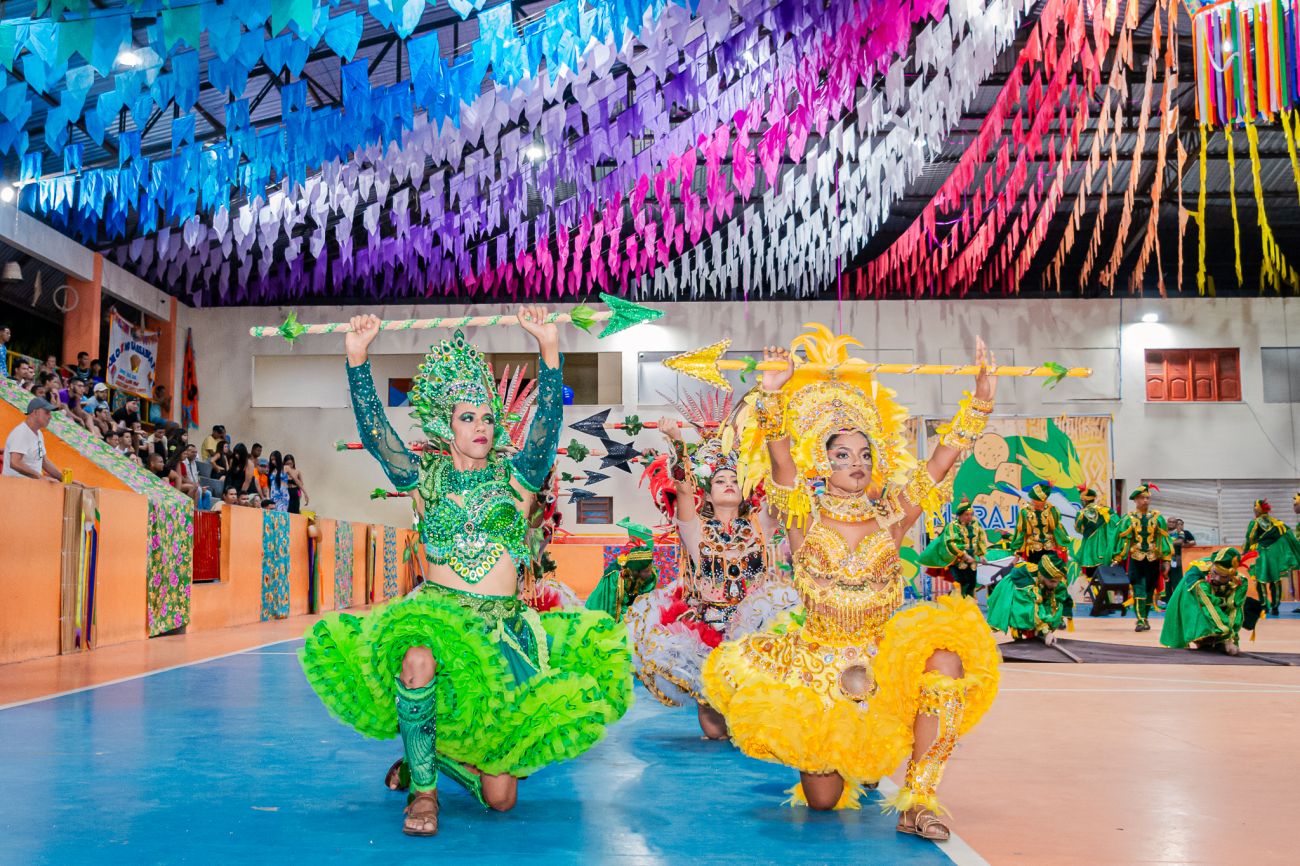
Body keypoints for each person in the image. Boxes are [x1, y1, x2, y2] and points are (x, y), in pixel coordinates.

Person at [299, 308, 631, 837]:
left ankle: (427, 754)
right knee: (417, 657)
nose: (480, 427)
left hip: (501, 632)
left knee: (501, 800)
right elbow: (378, 435)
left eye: (487, 418)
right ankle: (424, 793)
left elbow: (546, 426)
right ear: (445, 424)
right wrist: (358, 359)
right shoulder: (424, 481)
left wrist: (549, 349)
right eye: (467, 417)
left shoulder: (517, 481)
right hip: (439, 618)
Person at [701, 326, 1001, 841]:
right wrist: (771, 394)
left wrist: (981, 403)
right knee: (823, 801)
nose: (857, 463)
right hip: (819, 670)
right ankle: (851, 758)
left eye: (864, 454)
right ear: (823, 460)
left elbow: (938, 463)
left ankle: (919, 800)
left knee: (946, 660)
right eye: (843, 454)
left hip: (885, 662)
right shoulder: (803, 516)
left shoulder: (892, 515)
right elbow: (781, 460)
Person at [627, 418, 797, 739]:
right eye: (720, 480)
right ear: (707, 493)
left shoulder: (760, 524)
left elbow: (782, 487)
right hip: (710, 634)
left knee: (754, 726)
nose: (728, 483)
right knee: (716, 730)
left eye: (734, 479)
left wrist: (774, 439)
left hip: (757, 635)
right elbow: (683, 487)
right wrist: (677, 441)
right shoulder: (695, 530)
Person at [1160, 547, 1249, 655]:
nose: (1216, 578)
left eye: (1223, 576)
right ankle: (1204, 638)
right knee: (1199, 609)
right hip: (1193, 598)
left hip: (1218, 601)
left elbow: (1234, 610)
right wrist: (1225, 633)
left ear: (1231, 575)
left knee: (1233, 609)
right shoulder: (1198, 575)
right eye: (1215, 572)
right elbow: (1208, 606)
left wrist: (1230, 638)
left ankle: (1219, 639)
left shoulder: (1240, 582)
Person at [1111, 484, 1172, 632]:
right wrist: (1117, 558)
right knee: (1138, 588)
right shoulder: (1129, 518)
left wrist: (1166, 560)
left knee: (1150, 590)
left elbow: (1164, 540)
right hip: (1136, 558)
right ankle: (1140, 620)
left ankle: (1145, 618)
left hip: (1153, 559)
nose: (1145, 501)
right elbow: (1123, 540)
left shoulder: (1157, 518)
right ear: (1135, 500)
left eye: (1147, 498)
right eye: (1142, 498)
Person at [985, 550, 1071, 644]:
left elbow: (1059, 599)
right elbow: (1031, 607)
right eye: (1052, 581)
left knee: (1053, 601)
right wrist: (1046, 631)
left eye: (1057, 581)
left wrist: (1050, 626)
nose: (1055, 585)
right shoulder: (1027, 583)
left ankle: (1039, 630)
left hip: (1038, 586)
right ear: (1042, 576)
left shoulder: (1053, 579)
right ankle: (1018, 631)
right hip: (1017, 588)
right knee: (1022, 611)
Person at [585, 519, 659, 620]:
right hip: (607, 610)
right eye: (646, 571)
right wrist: (628, 617)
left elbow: (645, 600)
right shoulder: (616, 577)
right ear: (636, 571)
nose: (650, 573)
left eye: (650, 569)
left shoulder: (651, 576)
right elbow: (613, 607)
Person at [917, 496, 988, 598]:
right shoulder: (952, 526)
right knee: (959, 585)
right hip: (957, 562)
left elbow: (980, 540)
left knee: (971, 586)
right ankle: (956, 605)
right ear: (960, 515)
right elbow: (951, 544)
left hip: (972, 562)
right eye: (966, 514)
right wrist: (963, 555)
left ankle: (969, 606)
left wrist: (981, 556)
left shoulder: (976, 525)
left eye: (970, 514)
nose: (969, 517)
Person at [1244, 499, 1300, 618]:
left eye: (1254, 507)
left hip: (1262, 554)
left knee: (1260, 580)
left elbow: (1250, 538)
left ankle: (1264, 606)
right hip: (1275, 555)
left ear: (1258, 509)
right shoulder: (1277, 523)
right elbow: (1288, 535)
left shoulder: (1255, 523)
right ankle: (1275, 607)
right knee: (1276, 580)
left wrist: (1245, 551)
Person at [1073, 487, 1118, 615]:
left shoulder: (1081, 514)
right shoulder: (1106, 511)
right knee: (1106, 577)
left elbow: (1078, 529)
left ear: (1084, 501)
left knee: (1092, 578)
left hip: (1089, 551)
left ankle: (1099, 604)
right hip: (1104, 550)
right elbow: (1116, 525)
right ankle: (1110, 604)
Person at [1007, 482, 1069, 564]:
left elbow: (1057, 529)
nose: (1033, 502)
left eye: (1036, 500)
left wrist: (1063, 546)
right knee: (1034, 570)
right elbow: (1021, 532)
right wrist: (1017, 553)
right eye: (1032, 499)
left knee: (1051, 570)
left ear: (1043, 500)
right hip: (1033, 550)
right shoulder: (1025, 512)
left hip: (1050, 548)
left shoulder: (1052, 510)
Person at [3, 397, 62, 482]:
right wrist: (40, 477)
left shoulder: (38, 433)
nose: (50, 417)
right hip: (16, 486)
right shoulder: (22, 433)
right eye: (47, 412)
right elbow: (15, 462)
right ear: (35, 412)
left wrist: (64, 479)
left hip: (29, 486)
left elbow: (44, 461)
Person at [1164, 518, 1196, 603]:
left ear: (1176, 524)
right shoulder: (1163, 532)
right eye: (1169, 522)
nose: (1171, 524)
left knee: (1176, 579)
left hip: (1176, 558)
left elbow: (1180, 542)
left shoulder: (1180, 533)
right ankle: (1166, 600)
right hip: (1164, 559)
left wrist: (1166, 543)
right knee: (1166, 580)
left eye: (1173, 522)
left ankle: (1178, 600)